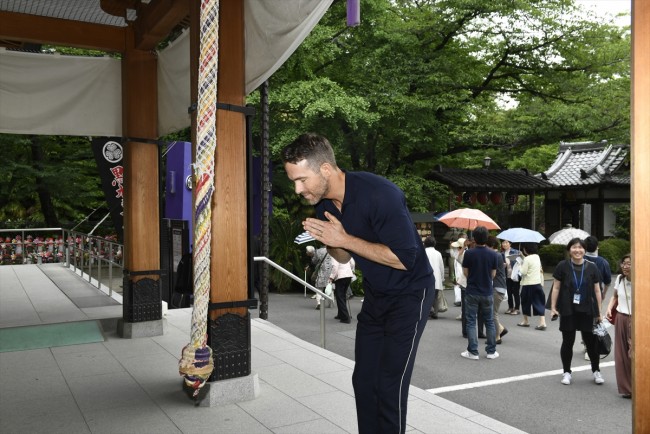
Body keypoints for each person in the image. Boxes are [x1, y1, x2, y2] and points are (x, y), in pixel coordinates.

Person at [282, 133, 435, 434]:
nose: (297, 189)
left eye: (301, 179)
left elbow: (404, 258)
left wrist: (344, 238)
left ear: (325, 169)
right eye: (293, 181)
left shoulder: (380, 195)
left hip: (411, 293)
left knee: (390, 383)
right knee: (364, 380)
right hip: (378, 294)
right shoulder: (323, 203)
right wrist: (332, 240)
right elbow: (341, 254)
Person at [549, 238, 604, 386]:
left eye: (580, 247)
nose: (577, 250)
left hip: (587, 310)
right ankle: (566, 372)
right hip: (568, 309)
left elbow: (597, 290)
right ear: (569, 250)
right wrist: (553, 307)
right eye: (574, 247)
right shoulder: (563, 266)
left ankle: (596, 370)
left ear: (585, 250)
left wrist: (599, 312)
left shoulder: (592, 267)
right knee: (568, 342)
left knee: (591, 343)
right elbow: (556, 287)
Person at [460, 226, 499, 360]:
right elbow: (493, 274)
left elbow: (465, 272)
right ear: (486, 238)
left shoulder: (469, 253)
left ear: (474, 239)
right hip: (487, 291)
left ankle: (473, 351)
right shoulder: (493, 254)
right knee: (489, 321)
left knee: (471, 321)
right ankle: (491, 351)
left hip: (472, 290)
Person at [605, 254, 632, 398]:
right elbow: (615, 296)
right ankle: (628, 389)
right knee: (622, 355)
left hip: (638, 320)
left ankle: (641, 384)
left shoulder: (643, 280)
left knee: (635, 354)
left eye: (629, 263)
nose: (626, 266)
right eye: (624, 263)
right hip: (621, 317)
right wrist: (609, 308)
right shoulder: (620, 279)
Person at [583, 236, 612, 361]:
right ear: (597, 247)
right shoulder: (602, 262)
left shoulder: (580, 259)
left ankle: (585, 343)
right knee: (595, 320)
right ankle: (589, 348)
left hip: (581, 295)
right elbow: (608, 281)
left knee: (584, 320)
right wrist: (604, 293)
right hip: (596, 294)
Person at [516, 243, 547, 330]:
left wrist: (519, 265)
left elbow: (523, 272)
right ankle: (542, 322)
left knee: (525, 302)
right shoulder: (537, 257)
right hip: (537, 283)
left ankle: (525, 321)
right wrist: (523, 257)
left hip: (528, 284)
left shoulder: (527, 259)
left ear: (526, 249)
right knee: (539, 302)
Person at [488, 236, 508, 343]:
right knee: (492, 312)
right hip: (500, 287)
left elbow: (492, 273)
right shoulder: (499, 255)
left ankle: (497, 337)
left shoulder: (494, 255)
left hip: (497, 287)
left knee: (493, 313)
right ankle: (500, 329)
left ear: (490, 246)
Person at [329, 255, 355, 323]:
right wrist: (350, 269)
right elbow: (352, 263)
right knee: (342, 296)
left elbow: (335, 266)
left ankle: (345, 317)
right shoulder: (345, 253)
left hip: (341, 276)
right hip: (348, 275)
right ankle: (341, 314)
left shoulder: (334, 254)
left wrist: (331, 277)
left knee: (339, 296)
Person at [450, 237, 468, 335]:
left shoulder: (465, 254)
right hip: (463, 280)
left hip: (465, 281)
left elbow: (458, 259)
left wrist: (463, 248)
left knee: (466, 307)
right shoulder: (463, 253)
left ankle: (465, 330)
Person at [424, 236, 445, 319]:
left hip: (426, 278)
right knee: (435, 296)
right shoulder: (438, 253)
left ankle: (428, 311)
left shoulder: (423, 252)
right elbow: (441, 267)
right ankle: (435, 312)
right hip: (437, 279)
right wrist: (442, 278)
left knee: (426, 296)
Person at [307, 245, 333, 310]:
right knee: (329, 285)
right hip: (331, 270)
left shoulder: (317, 252)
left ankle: (319, 303)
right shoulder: (330, 250)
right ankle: (330, 303)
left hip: (322, 270)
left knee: (318, 287)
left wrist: (312, 255)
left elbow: (314, 262)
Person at [501, 239, 521, 315]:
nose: (504, 244)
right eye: (503, 242)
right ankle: (510, 307)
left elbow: (520, 262)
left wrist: (518, 258)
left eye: (506, 242)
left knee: (516, 292)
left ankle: (517, 308)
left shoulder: (516, 252)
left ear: (510, 244)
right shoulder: (502, 253)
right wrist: (503, 265)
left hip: (515, 274)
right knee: (509, 292)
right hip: (507, 275)